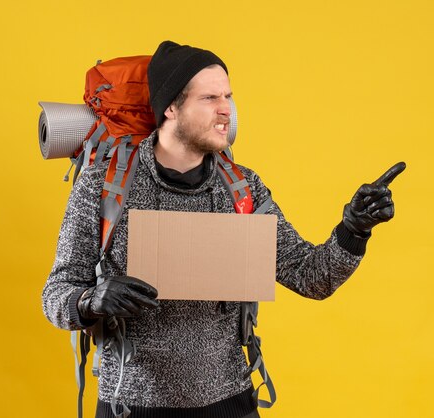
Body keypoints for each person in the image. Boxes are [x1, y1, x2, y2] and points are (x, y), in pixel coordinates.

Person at [42, 40, 405, 418]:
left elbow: (311, 277)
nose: (225, 110)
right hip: (131, 406)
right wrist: (90, 301)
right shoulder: (104, 187)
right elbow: (56, 293)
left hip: (231, 403)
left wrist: (355, 229)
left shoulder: (243, 189)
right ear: (170, 107)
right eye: (210, 98)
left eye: (228, 96)